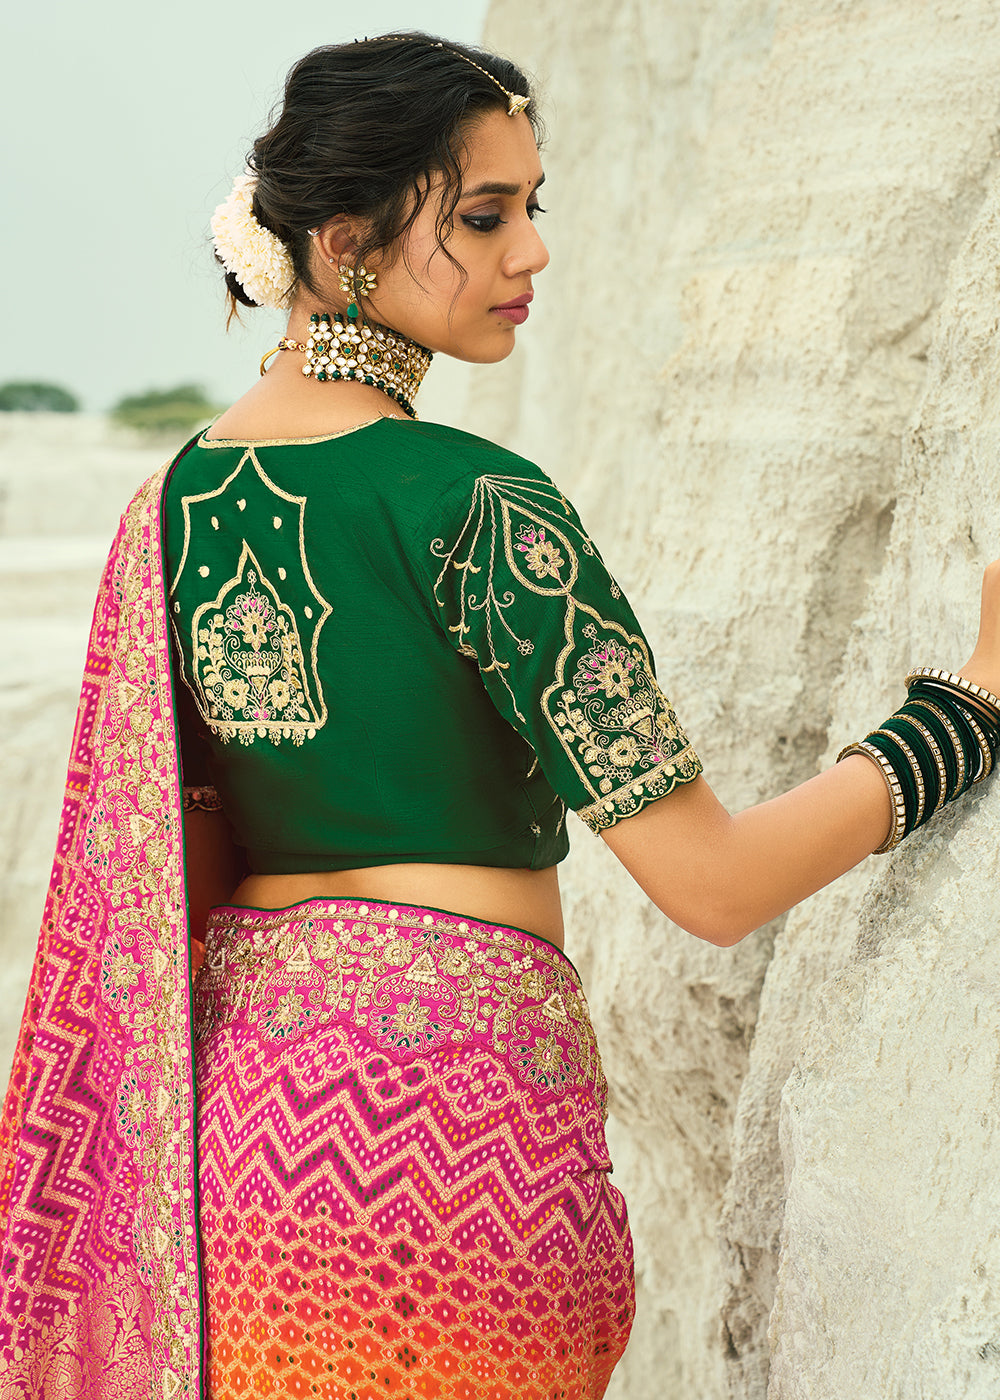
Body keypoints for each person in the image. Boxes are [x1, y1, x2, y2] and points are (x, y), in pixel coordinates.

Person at [2, 31, 999, 1400]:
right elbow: (713, 884)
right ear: (345, 245)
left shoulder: (167, 508)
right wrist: (960, 716)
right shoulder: (479, 503)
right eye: (484, 216)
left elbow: (185, 875)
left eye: (533, 205)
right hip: (460, 1159)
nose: (532, 251)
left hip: (237, 1173)